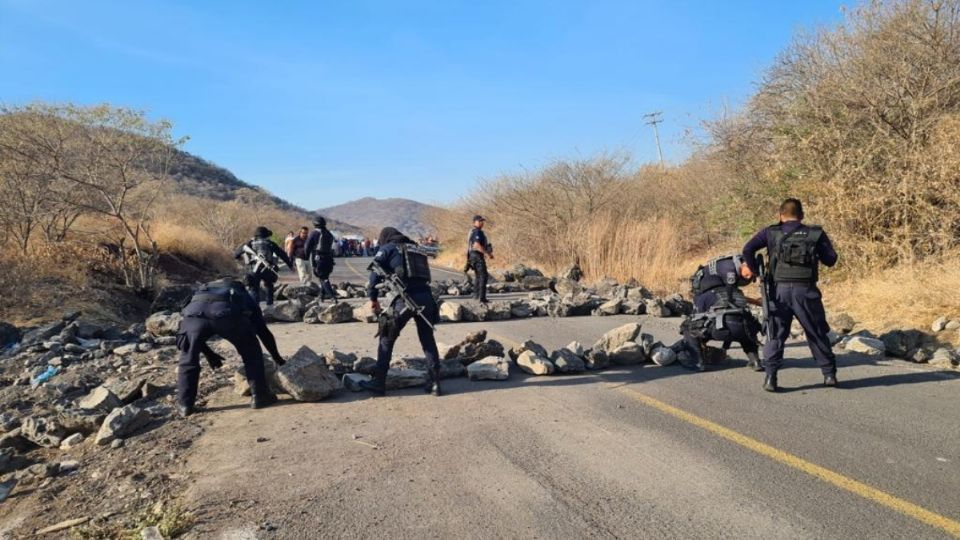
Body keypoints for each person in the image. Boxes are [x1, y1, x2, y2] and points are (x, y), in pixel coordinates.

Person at [742, 198, 839, 392]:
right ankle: (829, 375)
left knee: (776, 335)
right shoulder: (815, 233)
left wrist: (755, 271)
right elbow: (831, 260)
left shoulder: (771, 232)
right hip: (807, 291)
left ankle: (770, 377)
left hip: (779, 292)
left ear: (780, 215)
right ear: (802, 216)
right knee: (816, 332)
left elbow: (748, 249)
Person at [175, 278, 287, 417]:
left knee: (188, 358)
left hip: (193, 316)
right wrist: (278, 359)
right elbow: (262, 331)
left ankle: (185, 405)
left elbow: (193, 334)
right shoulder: (240, 292)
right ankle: (259, 396)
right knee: (251, 352)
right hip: (227, 314)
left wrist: (209, 354)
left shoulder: (200, 291)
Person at [358, 227, 442, 397]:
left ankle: (379, 383)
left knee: (386, 337)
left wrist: (373, 299)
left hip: (405, 299)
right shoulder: (416, 248)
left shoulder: (388, 248)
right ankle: (435, 383)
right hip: (426, 297)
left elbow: (374, 276)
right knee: (427, 339)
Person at [680, 253, 763, 372]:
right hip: (745, 332)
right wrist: (757, 302)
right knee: (745, 324)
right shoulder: (737, 293)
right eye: (750, 273)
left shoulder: (705, 296)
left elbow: (697, 321)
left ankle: (697, 362)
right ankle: (755, 361)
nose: (749, 277)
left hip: (722, 330)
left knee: (689, 327)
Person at [234, 226, 293, 305]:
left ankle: (255, 311)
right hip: (268, 270)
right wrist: (290, 266)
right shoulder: (271, 244)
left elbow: (236, 254)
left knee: (254, 290)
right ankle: (270, 307)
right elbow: (283, 254)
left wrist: (241, 257)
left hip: (253, 270)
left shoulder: (249, 244)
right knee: (269, 287)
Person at [305, 216, 338, 303]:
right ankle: (321, 296)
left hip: (319, 258)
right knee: (324, 277)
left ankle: (332, 297)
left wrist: (306, 256)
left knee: (322, 278)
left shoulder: (314, 233)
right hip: (329, 258)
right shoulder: (329, 233)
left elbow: (307, 246)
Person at [467, 215, 493, 303]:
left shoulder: (475, 232)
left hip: (474, 256)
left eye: (482, 221)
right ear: (475, 222)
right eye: (480, 221)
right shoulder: (477, 232)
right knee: (483, 276)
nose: (482, 222)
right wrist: (487, 253)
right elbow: (476, 245)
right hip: (477, 256)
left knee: (478, 276)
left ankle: (476, 296)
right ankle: (481, 298)